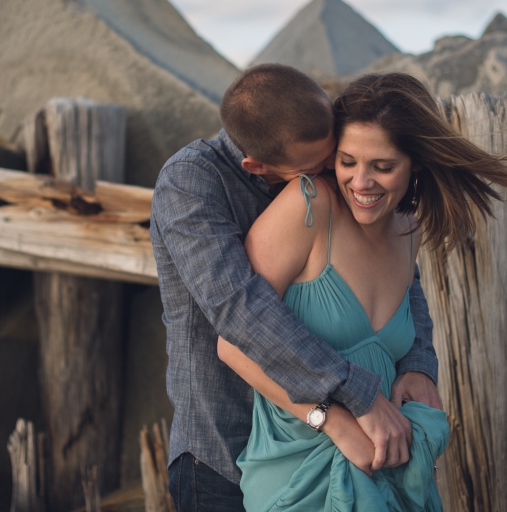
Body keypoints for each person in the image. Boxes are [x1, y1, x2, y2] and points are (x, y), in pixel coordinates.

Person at [217, 72, 507, 510]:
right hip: (302, 475)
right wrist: (333, 421)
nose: (361, 183)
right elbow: (234, 344)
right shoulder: (308, 205)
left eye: (383, 167)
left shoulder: (410, 228)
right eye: (347, 162)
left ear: (415, 162)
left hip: (390, 471)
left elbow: (406, 325)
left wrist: (417, 366)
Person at [150, 65, 441, 511]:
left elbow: (396, 268)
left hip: (345, 446)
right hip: (224, 447)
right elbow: (241, 309)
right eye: (320, 166)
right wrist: (349, 400)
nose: (332, 174)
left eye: (335, 157)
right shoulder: (192, 184)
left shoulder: (314, 168)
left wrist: (418, 358)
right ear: (257, 166)